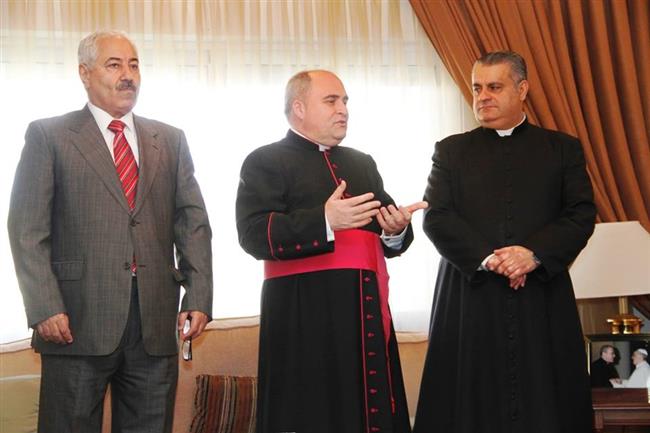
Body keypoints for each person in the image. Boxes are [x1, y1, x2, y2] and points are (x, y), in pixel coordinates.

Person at [7, 30, 213, 433]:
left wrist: (199, 294)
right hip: (75, 321)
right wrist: (44, 305)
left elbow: (193, 222)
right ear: (85, 73)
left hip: (154, 323)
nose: (128, 75)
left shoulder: (170, 139)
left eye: (133, 65)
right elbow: (26, 229)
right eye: (114, 65)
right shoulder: (49, 136)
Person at [413, 51, 596, 433]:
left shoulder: (563, 149)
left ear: (522, 89)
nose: (483, 97)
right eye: (477, 88)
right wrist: (489, 259)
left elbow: (580, 214)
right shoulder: (450, 150)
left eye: (494, 87)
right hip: (470, 295)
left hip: (540, 294)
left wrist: (534, 254)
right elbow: (437, 216)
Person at [236, 69, 427, 433]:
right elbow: (252, 234)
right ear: (299, 108)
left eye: (345, 101)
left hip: (363, 312)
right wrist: (324, 220)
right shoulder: (265, 161)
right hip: (303, 314)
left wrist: (395, 229)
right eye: (331, 101)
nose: (343, 109)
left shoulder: (362, 163)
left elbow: (384, 232)